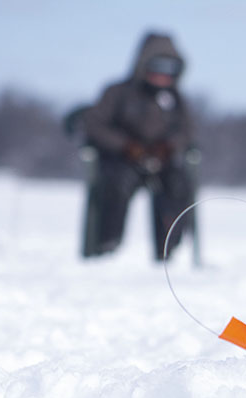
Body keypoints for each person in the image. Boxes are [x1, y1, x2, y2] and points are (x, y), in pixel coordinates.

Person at [73, 32, 198, 260]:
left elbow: (187, 132)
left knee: (178, 185)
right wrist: (126, 146)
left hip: (163, 161)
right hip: (121, 159)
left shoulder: (177, 100)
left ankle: (168, 251)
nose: (163, 75)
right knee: (115, 185)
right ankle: (106, 247)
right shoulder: (118, 92)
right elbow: (95, 125)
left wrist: (168, 147)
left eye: (169, 68)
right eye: (158, 66)